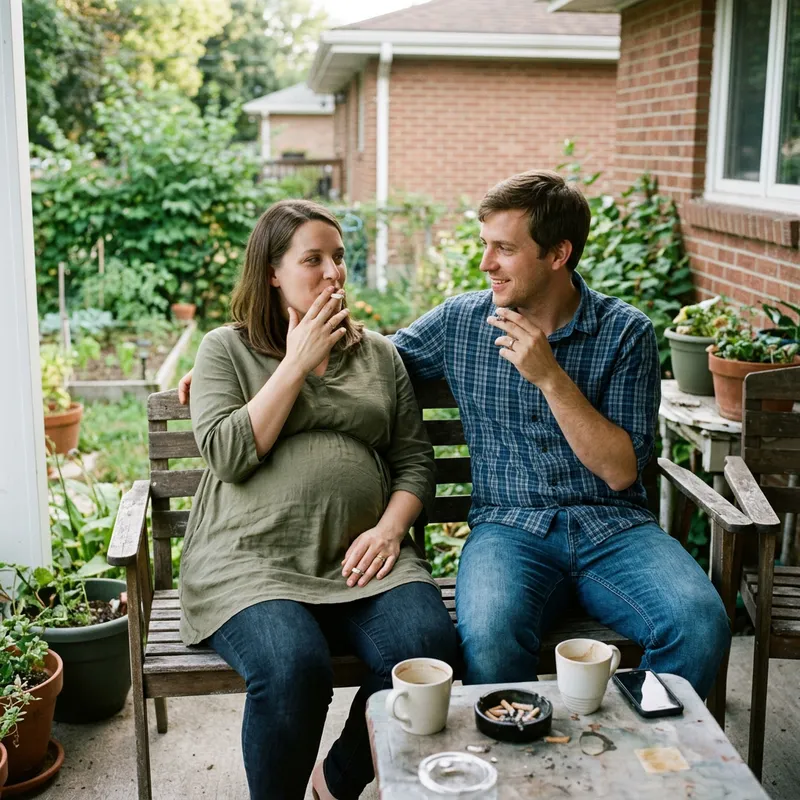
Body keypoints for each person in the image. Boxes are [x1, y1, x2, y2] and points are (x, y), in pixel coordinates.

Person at [179, 171, 730, 703]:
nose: (486, 263)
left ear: (558, 255)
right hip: (510, 532)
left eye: (504, 249)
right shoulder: (463, 323)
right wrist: (244, 363)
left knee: (699, 625)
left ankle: (635, 753)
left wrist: (549, 377)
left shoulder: (624, 331)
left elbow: (621, 470)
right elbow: (373, 360)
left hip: (614, 530)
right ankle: (518, 771)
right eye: (485, 244)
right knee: (488, 640)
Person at [179, 199, 458, 800]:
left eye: (338, 258)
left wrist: (389, 530)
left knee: (427, 650)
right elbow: (226, 454)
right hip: (250, 562)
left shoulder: (378, 355)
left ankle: (336, 780)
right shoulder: (225, 350)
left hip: (362, 559)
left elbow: (413, 461)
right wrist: (296, 362)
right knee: (292, 667)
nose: (333, 272)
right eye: (313, 259)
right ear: (271, 272)